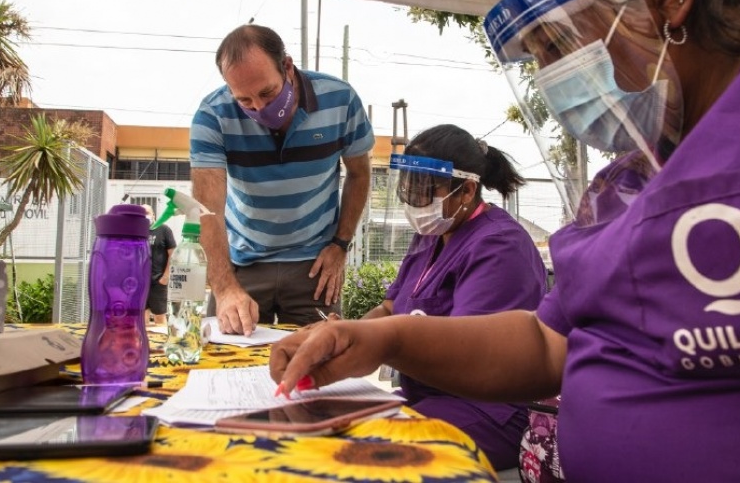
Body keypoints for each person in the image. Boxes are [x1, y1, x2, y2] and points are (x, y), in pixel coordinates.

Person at [269, 0, 740, 482]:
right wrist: (383, 337)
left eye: (555, 44)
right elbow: (548, 343)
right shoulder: (625, 186)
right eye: (536, 59)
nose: (553, 80)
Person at [360, 124, 546, 471]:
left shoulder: (500, 246)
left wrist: (377, 343)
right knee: (333, 429)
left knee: (368, 456)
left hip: (488, 410)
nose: (414, 201)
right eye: (409, 187)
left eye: (426, 190)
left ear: (466, 191)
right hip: (428, 397)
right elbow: (389, 307)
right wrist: (347, 337)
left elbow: (467, 355)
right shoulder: (433, 233)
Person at [190, 24, 374, 336]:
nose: (260, 108)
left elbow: (359, 173)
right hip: (242, 263)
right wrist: (224, 289)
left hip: (314, 265)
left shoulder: (341, 100)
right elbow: (207, 209)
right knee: (223, 364)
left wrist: (340, 244)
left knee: (320, 366)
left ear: (287, 66)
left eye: (267, 92)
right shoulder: (213, 114)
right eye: (245, 101)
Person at [143, 204, 176, 325]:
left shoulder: (164, 230)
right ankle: (144, 343)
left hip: (158, 281)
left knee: (159, 318)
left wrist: (166, 277)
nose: (145, 216)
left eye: (147, 212)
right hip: (141, 282)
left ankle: (161, 342)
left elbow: (173, 254)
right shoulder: (138, 231)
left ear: (153, 215)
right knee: (141, 318)